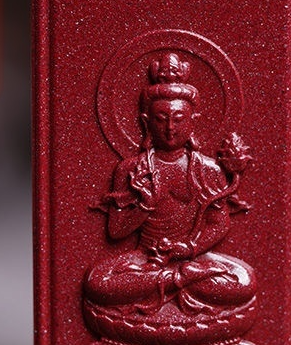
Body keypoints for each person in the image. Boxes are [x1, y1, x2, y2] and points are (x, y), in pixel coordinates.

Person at [84, 52, 255, 323]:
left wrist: (189, 248)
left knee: (244, 281)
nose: (170, 128)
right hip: (146, 259)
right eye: (161, 119)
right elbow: (116, 231)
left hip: (193, 258)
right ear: (146, 121)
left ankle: (173, 281)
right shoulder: (131, 169)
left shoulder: (208, 169)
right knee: (98, 283)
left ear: (193, 119)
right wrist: (145, 205)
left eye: (179, 118)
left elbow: (219, 224)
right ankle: (177, 281)